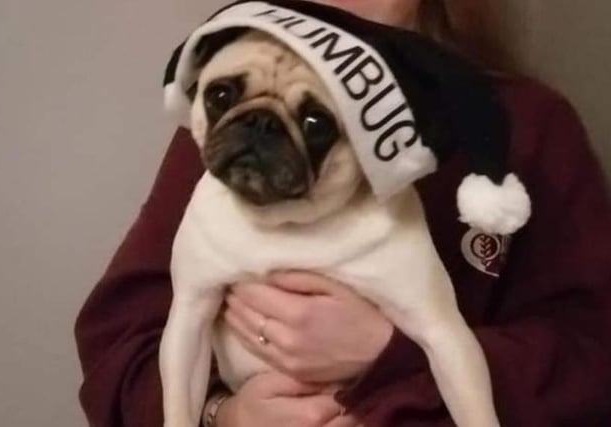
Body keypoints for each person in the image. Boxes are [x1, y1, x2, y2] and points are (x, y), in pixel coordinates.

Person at [74, 0, 611, 426]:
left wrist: (392, 355)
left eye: (314, 125)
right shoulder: (232, 119)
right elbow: (118, 341)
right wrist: (224, 415)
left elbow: (593, 357)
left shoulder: (529, 126)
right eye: (222, 100)